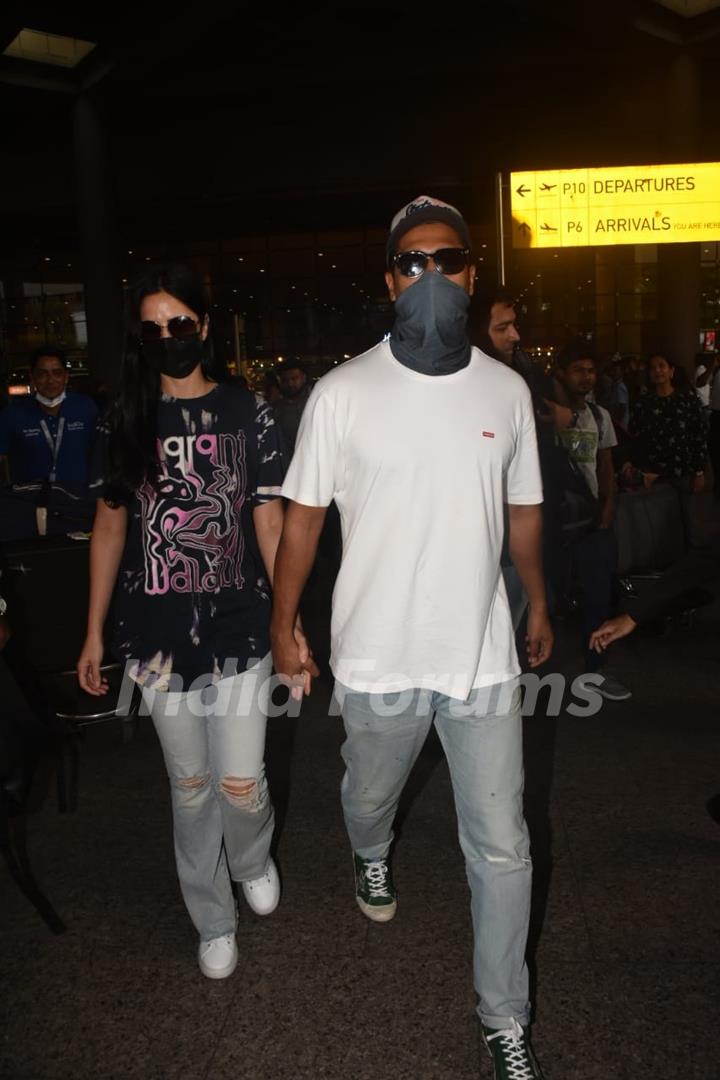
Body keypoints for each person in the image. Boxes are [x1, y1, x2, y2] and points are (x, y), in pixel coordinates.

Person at [271, 195, 552, 1079]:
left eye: (448, 259)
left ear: (473, 273)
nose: (431, 275)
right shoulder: (343, 392)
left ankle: (504, 1017)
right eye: (411, 262)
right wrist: (283, 628)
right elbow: (303, 521)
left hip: (482, 659)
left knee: (503, 844)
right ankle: (368, 853)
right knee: (368, 797)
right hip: (378, 656)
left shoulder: (507, 391)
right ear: (389, 278)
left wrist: (537, 601)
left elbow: (525, 510)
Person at [76, 263, 305, 980]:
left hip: (240, 624)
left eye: (180, 324)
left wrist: (289, 624)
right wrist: (92, 631)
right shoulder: (124, 417)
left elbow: (269, 521)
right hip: (155, 637)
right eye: (153, 329)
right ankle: (212, 916)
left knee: (242, 785)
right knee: (191, 787)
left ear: (204, 327)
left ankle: (251, 855)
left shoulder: (248, 411)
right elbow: (110, 529)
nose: (168, 338)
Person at [553, 341, 632, 701]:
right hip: (553, 523)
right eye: (577, 370)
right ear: (560, 375)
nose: (586, 377)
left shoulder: (599, 416)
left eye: (590, 370)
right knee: (550, 599)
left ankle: (594, 672)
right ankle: (543, 674)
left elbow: (606, 466)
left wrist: (608, 506)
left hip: (592, 522)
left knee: (597, 598)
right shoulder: (546, 415)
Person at [0, 346, 98, 486]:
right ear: (32, 377)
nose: (50, 380)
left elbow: (101, 455)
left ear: (66, 377)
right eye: (42, 374)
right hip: (28, 501)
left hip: (78, 500)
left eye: (57, 373)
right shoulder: (12, 414)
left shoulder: (85, 407)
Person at [626, 353, 707, 492]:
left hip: (683, 471)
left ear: (671, 371)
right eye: (652, 368)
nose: (657, 371)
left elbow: (698, 435)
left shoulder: (688, 400)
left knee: (682, 512)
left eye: (661, 366)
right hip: (651, 472)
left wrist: (699, 471)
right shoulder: (643, 403)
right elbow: (634, 434)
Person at [273, 359, 313, 454]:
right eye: (285, 380)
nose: (290, 383)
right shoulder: (277, 408)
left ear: (304, 377)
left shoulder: (315, 401)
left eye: (294, 378)